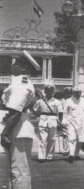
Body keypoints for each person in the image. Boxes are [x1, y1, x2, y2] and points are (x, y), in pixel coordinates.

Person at [1, 50, 40, 189]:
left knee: (19, 169)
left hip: (17, 127)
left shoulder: (21, 83)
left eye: (16, 64)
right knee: (15, 169)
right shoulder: (20, 82)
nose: (12, 66)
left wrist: (5, 132)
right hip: (18, 125)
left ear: (23, 68)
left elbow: (16, 110)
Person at [33, 83, 63, 162]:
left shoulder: (57, 102)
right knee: (42, 139)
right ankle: (41, 156)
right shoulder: (40, 101)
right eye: (47, 90)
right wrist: (39, 115)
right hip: (43, 120)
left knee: (52, 139)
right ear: (45, 91)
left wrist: (60, 122)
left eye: (50, 90)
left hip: (53, 120)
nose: (49, 92)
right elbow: (34, 110)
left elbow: (60, 112)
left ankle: (49, 156)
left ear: (53, 92)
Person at [62, 87, 84, 163]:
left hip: (82, 122)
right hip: (71, 122)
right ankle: (71, 155)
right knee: (72, 138)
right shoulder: (68, 101)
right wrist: (64, 121)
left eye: (79, 92)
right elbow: (65, 113)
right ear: (73, 93)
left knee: (79, 139)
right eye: (76, 92)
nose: (78, 94)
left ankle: (76, 154)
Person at [60, 87, 73, 156]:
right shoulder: (62, 101)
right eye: (67, 93)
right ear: (64, 94)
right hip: (64, 119)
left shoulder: (73, 101)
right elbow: (59, 112)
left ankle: (71, 149)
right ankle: (65, 149)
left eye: (70, 93)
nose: (69, 95)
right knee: (65, 134)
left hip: (72, 120)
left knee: (72, 135)